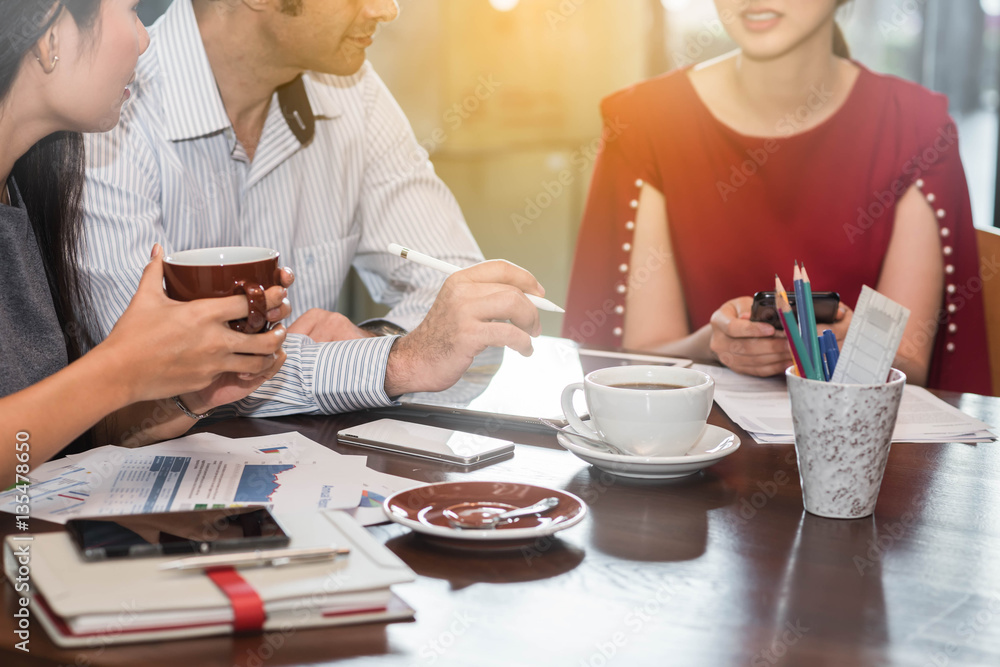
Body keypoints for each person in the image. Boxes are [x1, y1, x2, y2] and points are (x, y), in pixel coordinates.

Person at [80, 0, 546, 418]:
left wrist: (377, 340)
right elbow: (152, 375)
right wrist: (401, 360)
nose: (388, 10)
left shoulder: (351, 86)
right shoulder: (108, 101)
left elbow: (466, 299)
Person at [563, 0, 990, 394]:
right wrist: (716, 345)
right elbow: (640, 356)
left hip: (864, 460)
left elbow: (912, 364)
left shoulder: (915, 127)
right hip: (691, 452)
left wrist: (848, 342)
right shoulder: (645, 120)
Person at [0, 0, 293, 481]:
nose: (145, 38)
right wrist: (120, 370)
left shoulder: (27, 191)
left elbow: (45, 442)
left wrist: (185, 393)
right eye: (132, 11)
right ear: (48, 31)